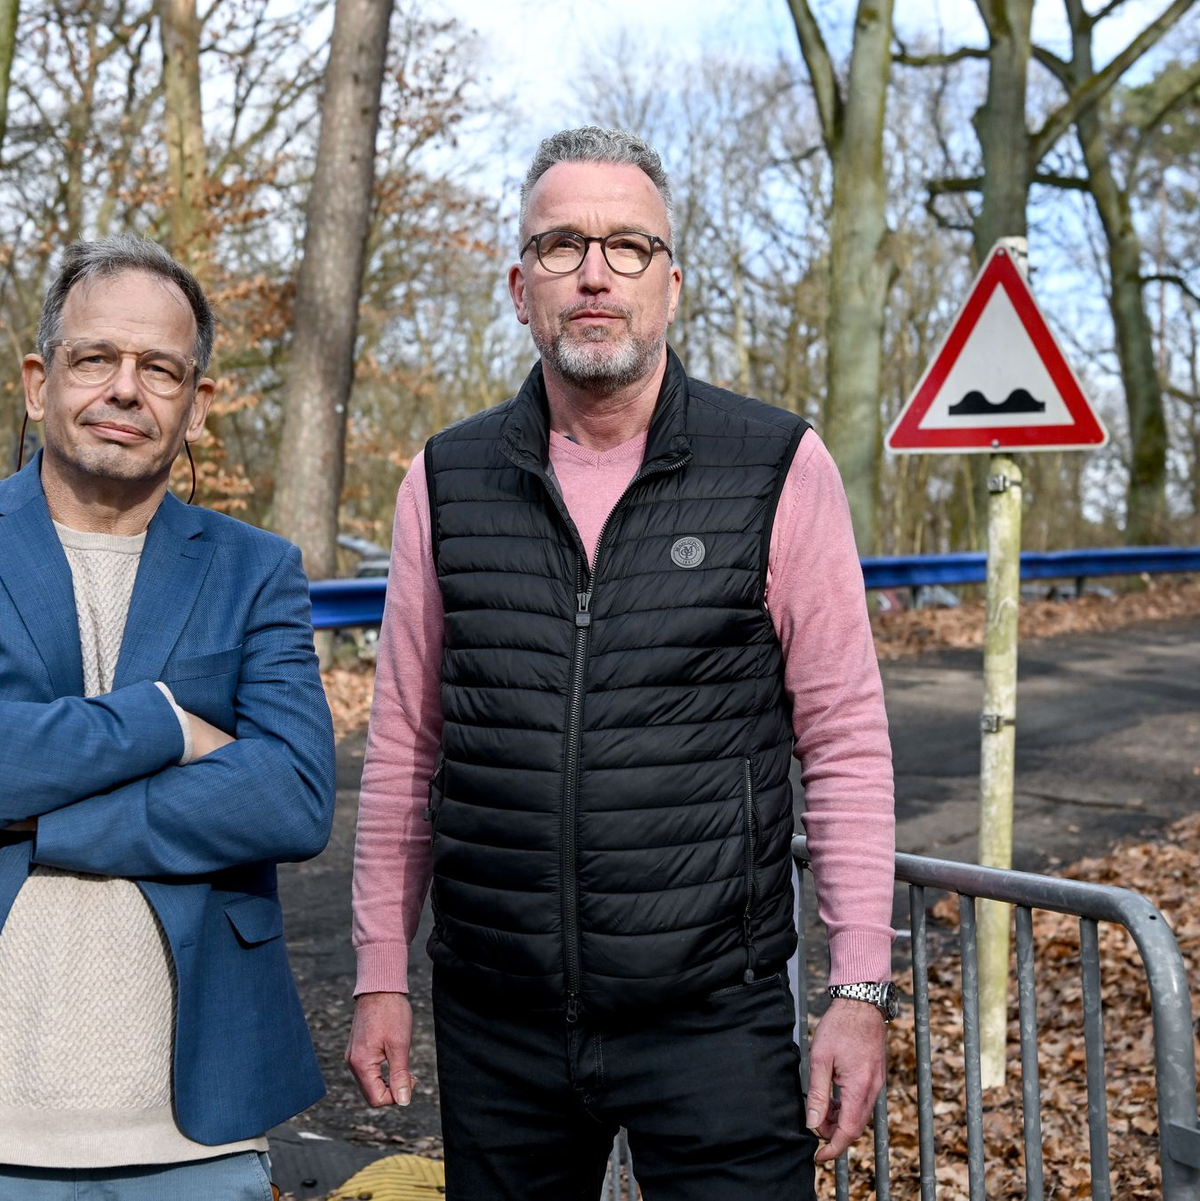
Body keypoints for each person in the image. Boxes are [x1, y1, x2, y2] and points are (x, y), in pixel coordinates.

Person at [347, 127, 896, 1200]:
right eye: (561, 244)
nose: (594, 271)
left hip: (712, 1017)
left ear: (673, 283)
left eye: (628, 246)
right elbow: (405, 744)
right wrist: (377, 973)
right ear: (519, 284)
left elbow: (844, 741)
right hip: (497, 1019)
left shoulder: (778, 465)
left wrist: (859, 988)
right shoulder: (445, 480)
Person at [0, 235, 336, 1199]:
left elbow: (294, 796)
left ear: (198, 405)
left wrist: (44, 817)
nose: (124, 388)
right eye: (95, 357)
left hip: (194, 1131)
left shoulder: (255, 568)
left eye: (160, 369)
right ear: (39, 382)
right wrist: (167, 725)